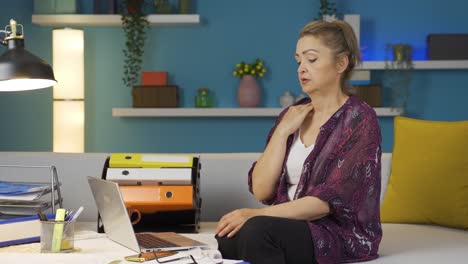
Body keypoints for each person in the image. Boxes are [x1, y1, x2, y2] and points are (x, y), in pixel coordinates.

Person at [215, 19, 382, 264]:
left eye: (311, 59)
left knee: (257, 232)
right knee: (227, 236)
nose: (301, 68)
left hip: (338, 232)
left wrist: (253, 215)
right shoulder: (292, 114)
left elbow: (324, 205)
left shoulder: (360, 119)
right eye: (298, 61)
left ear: (341, 63)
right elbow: (262, 189)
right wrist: (282, 132)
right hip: (287, 224)